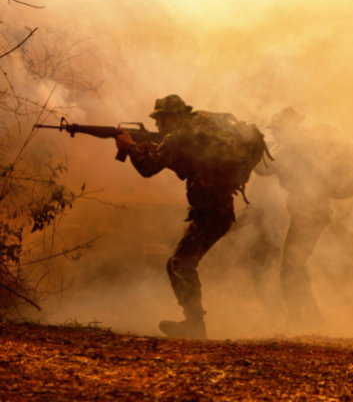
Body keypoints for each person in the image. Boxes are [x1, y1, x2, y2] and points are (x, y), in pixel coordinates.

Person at [115, 94, 266, 339]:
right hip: (215, 211)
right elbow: (188, 163)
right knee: (178, 264)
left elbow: (147, 169)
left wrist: (129, 147)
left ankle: (195, 325)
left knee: (181, 264)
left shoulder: (180, 136)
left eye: (160, 120)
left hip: (213, 213)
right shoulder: (195, 133)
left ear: (174, 117)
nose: (157, 126)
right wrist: (152, 149)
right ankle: (193, 323)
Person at [254, 107, 332, 333]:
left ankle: (296, 320)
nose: (274, 134)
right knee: (295, 266)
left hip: (310, 213)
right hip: (309, 212)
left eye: (277, 129)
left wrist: (252, 149)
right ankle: (314, 317)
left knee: (289, 268)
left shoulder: (292, 149)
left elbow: (264, 169)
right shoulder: (299, 147)